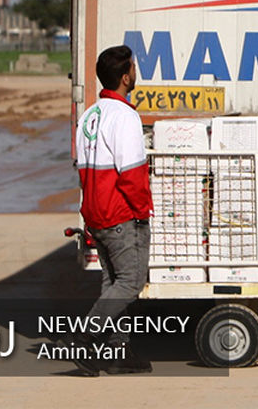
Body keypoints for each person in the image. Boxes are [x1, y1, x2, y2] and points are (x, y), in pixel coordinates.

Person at [71, 45, 153, 376]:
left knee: (112, 283)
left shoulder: (90, 115)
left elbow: (81, 166)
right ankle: (85, 337)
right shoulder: (125, 117)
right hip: (119, 215)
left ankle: (120, 352)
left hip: (94, 212)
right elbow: (132, 174)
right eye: (133, 67)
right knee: (130, 282)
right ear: (124, 77)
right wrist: (142, 211)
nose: (136, 72)